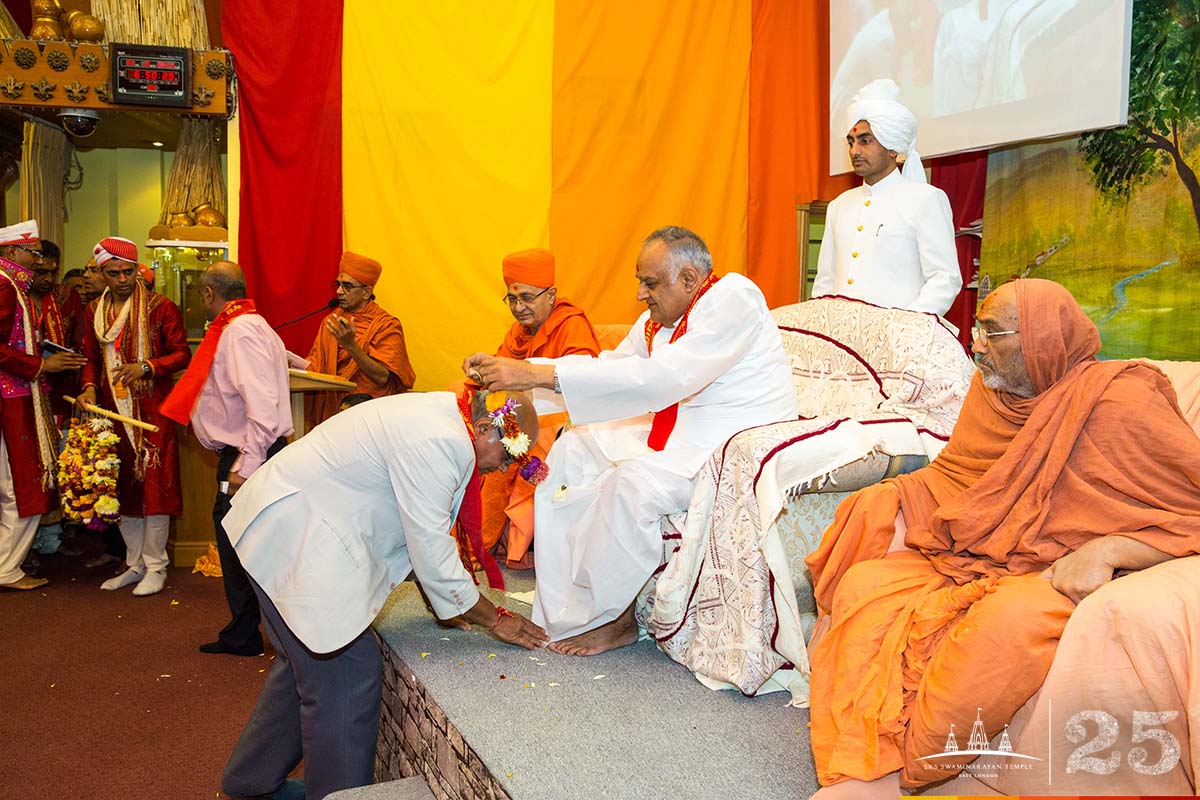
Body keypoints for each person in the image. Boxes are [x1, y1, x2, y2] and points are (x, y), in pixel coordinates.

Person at [804, 278, 1200, 798]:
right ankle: (867, 760)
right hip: (984, 548)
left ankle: (915, 767)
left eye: (992, 333)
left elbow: (1190, 508)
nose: (975, 345)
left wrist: (1111, 549)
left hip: (1061, 566)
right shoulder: (992, 392)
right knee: (866, 584)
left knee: (1000, 627)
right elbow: (962, 475)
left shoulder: (1122, 399)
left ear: (1040, 338)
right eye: (976, 329)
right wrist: (896, 494)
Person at [465, 225, 797, 655]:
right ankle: (568, 608)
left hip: (731, 445)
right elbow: (612, 373)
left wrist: (532, 372)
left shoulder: (733, 299)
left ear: (690, 279)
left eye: (650, 282)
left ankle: (616, 621)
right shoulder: (655, 322)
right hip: (674, 433)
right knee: (572, 449)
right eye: (640, 281)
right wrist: (502, 407)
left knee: (630, 485)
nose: (640, 294)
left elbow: (664, 379)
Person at [219, 388, 549, 800]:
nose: (505, 469)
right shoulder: (441, 440)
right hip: (295, 535)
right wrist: (496, 619)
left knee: (304, 668)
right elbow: (430, 548)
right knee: (347, 674)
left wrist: (444, 600)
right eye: (509, 454)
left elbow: (420, 531)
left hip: (282, 522)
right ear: (484, 429)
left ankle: (250, 784)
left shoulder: (442, 417)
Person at [161, 261, 293, 657]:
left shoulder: (239, 331)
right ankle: (247, 632)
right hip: (248, 453)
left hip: (247, 455)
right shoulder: (250, 325)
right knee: (247, 545)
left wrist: (244, 467)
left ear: (206, 294)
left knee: (241, 547)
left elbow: (263, 409)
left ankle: (251, 635)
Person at [77, 237, 191, 597]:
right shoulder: (94, 310)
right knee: (122, 488)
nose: (124, 279)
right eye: (115, 273)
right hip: (111, 413)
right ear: (102, 273)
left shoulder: (160, 307)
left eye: (129, 272)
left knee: (155, 491)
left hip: (152, 411)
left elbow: (181, 355)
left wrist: (145, 366)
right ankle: (134, 564)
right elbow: (90, 357)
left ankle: (156, 566)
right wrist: (89, 387)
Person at [480, 247, 600, 568]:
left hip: (566, 421)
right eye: (512, 299)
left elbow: (587, 384)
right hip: (523, 417)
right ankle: (479, 539)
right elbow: (502, 381)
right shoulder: (518, 332)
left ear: (551, 294)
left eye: (528, 298)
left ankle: (488, 542)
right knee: (485, 435)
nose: (519, 308)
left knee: (512, 444)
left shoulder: (570, 325)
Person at [812, 78, 961, 315]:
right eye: (851, 142)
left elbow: (945, 278)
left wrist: (902, 327)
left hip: (896, 341)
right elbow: (824, 282)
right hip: (841, 342)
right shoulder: (839, 206)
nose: (854, 151)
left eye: (865, 141)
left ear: (892, 147)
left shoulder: (925, 199)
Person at [0, 220, 86, 590]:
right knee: (24, 484)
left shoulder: (12, 285)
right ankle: (6, 568)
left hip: (15, 394)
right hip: (13, 398)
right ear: (10, 253)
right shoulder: (5, 286)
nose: (37, 260)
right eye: (31, 253)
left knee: (14, 484)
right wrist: (40, 365)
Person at [305, 251, 415, 427]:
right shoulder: (331, 321)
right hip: (333, 411)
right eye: (338, 284)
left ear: (366, 292)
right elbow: (316, 365)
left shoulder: (386, 325)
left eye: (347, 286)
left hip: (370, 413)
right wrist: (290, 365)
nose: (339, 291)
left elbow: (382, 377)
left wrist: (351, 346)